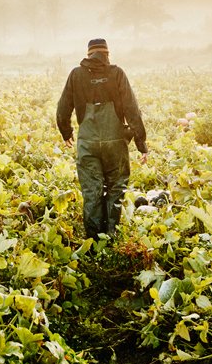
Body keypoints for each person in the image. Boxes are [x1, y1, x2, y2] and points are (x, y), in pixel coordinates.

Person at [56, 38, 148, 238]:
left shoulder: (76, 75)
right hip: (115, 143)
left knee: (92, 192)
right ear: (107, 54)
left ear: (88, 55)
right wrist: (141, 144)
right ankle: (110, 236)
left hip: (87, 143)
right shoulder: (117, 73)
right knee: (116, 190)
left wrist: (66, 133)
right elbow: (132, 109)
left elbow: (63, 108)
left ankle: (93, 242)